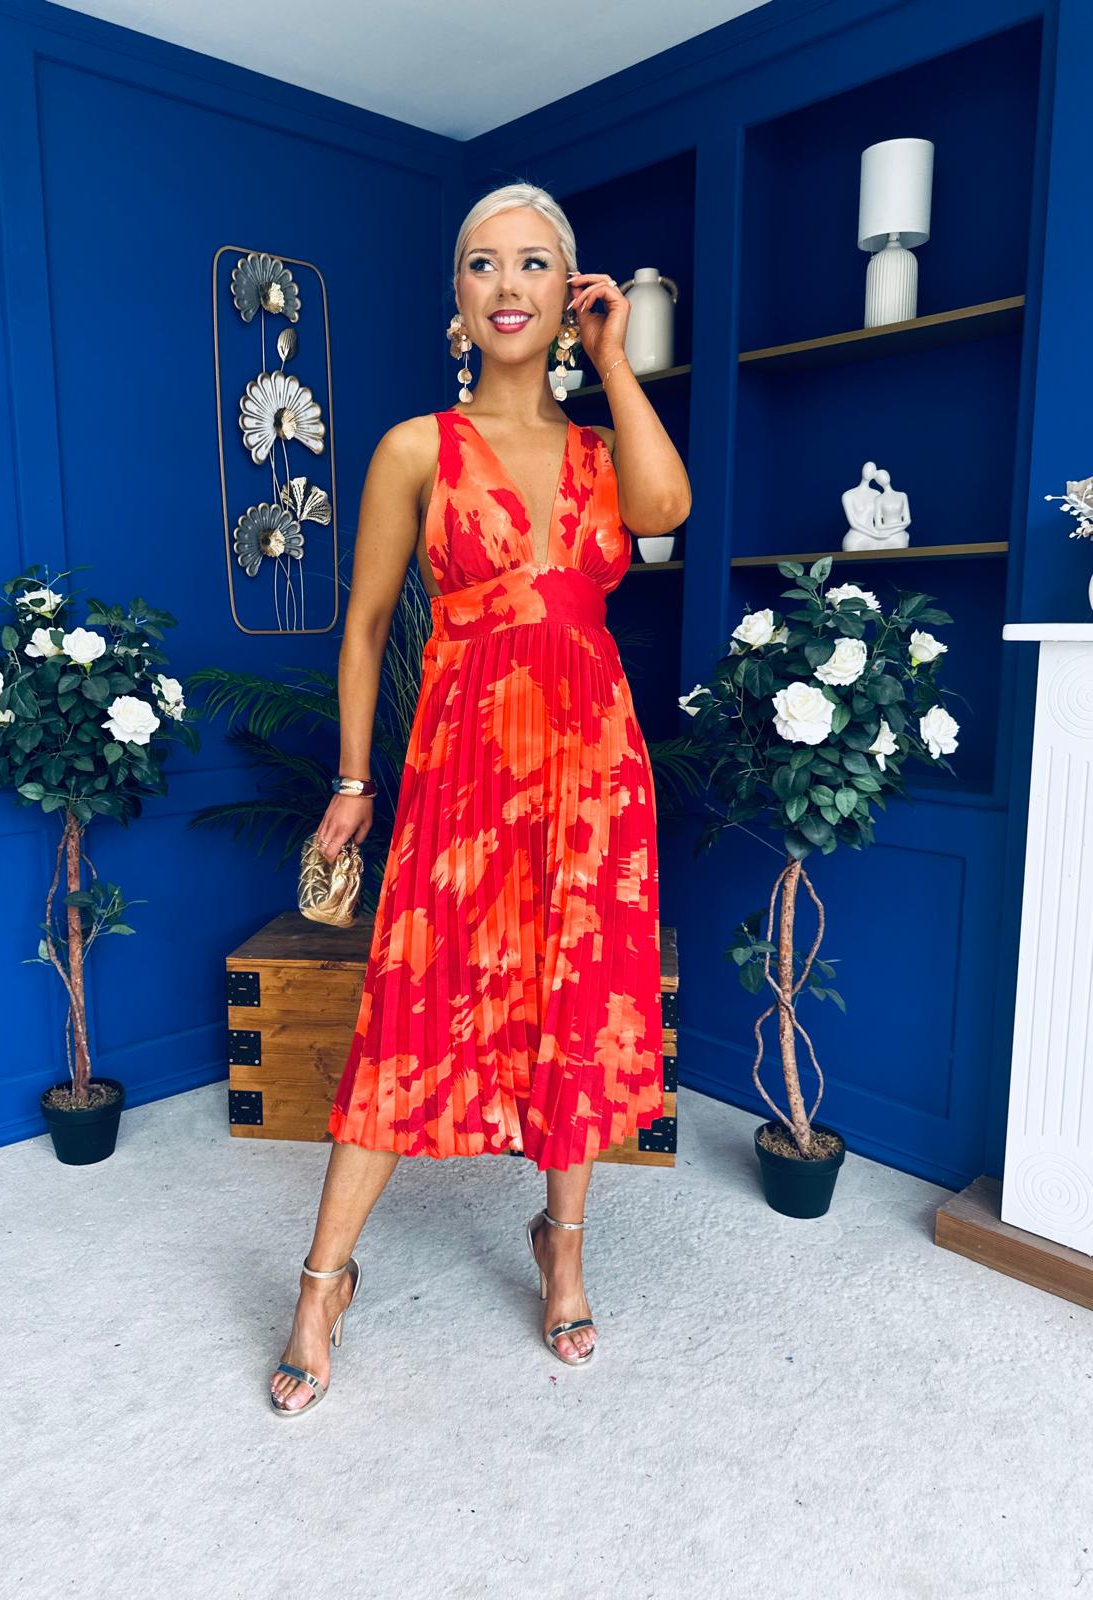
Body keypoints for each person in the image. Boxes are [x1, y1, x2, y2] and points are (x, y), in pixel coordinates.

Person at [270, 181, 692, 1415]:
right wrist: (355, 781)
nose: (509, 285)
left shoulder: (605, 451)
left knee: (576, 1005)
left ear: (570, 293)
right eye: (483, 264)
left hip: (593, 770)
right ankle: (321, 1282)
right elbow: (362, 628)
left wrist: (614, 365)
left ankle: (562, 1245)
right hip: (463, 770)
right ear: (456, 297)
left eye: (534, 264)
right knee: (410, 1010)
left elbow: (664, 512)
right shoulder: (418, 447)